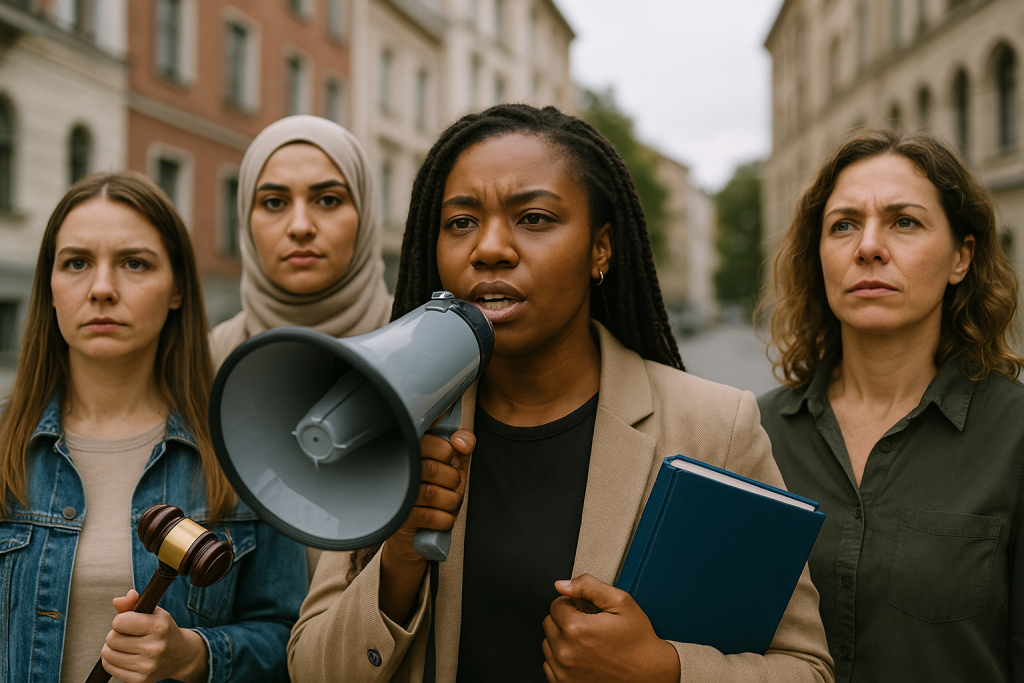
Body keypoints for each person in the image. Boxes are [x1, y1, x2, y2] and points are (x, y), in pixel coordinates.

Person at [288, 104, 834, 683]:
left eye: (535, 218)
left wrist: (666, 670)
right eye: (461, 222)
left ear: (600, 248)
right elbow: (310, 670)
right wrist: (397, 558)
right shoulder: (389, 421)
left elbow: (805, 669)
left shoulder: (714, 427)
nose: (490, 248)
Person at [0, 171, 307, 683]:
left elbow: (290, 637)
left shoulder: (245, 453)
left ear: (177, 291)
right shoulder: (5, 445)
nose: (101, 289)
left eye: (134, 263)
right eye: (76, 263)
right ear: (49, 289)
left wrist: (195, 655)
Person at [757, 127, 1024, 683]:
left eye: (905, 221)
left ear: (960, 258)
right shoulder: (753, 434)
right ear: (820, 257)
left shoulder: (1015, 435)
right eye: (844, 225)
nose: (868, 246)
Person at [208, 115, 391, 369]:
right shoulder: (206, 362)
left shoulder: (423, 343)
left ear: (365, 214)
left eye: (328, 200)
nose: (300, 227)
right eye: (274, 203)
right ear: (246, 218)